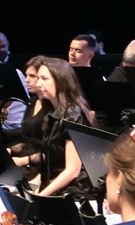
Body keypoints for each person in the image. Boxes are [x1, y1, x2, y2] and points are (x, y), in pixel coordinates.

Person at [13, 57, 93, 198]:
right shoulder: (51, 113)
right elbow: (51, 161)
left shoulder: (73, 116)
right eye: (38, 78)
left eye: (44, 79)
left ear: (60, 81)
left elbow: (72, 171)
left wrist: (41, 197)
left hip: (74, 191)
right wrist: (39, 187)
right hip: (55, 185)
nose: (38, 83)